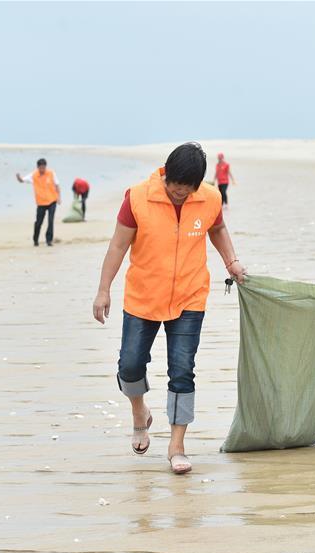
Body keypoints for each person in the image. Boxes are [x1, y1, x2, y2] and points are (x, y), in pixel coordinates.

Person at [92, 142, 247, 475]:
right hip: (143, 296)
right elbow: (118, 244)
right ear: (167, 176)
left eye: (186, 191)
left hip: (190, 296)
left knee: (182, 369)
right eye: (175, 189)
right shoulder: (137, 197)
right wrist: (103, 290)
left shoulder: (209, 198)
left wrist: (231, 262)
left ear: (196, 186)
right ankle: (139, 412)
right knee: (130, 365)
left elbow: (217, 228)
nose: (180, 195)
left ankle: (177, 445)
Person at [16, 158, 61, 246]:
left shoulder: (51, 173)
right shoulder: (33, 175)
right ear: (37, 167)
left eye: (43, 168)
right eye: (40, 168)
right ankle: (35, 240)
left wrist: (59, 197)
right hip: (41, 203)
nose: (42, 170)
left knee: (50, 221)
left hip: (52, 200)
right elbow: (22, 180)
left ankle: (49, 240)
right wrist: (18, 178)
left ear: (45, 167)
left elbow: (57, 185)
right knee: (38, 222)